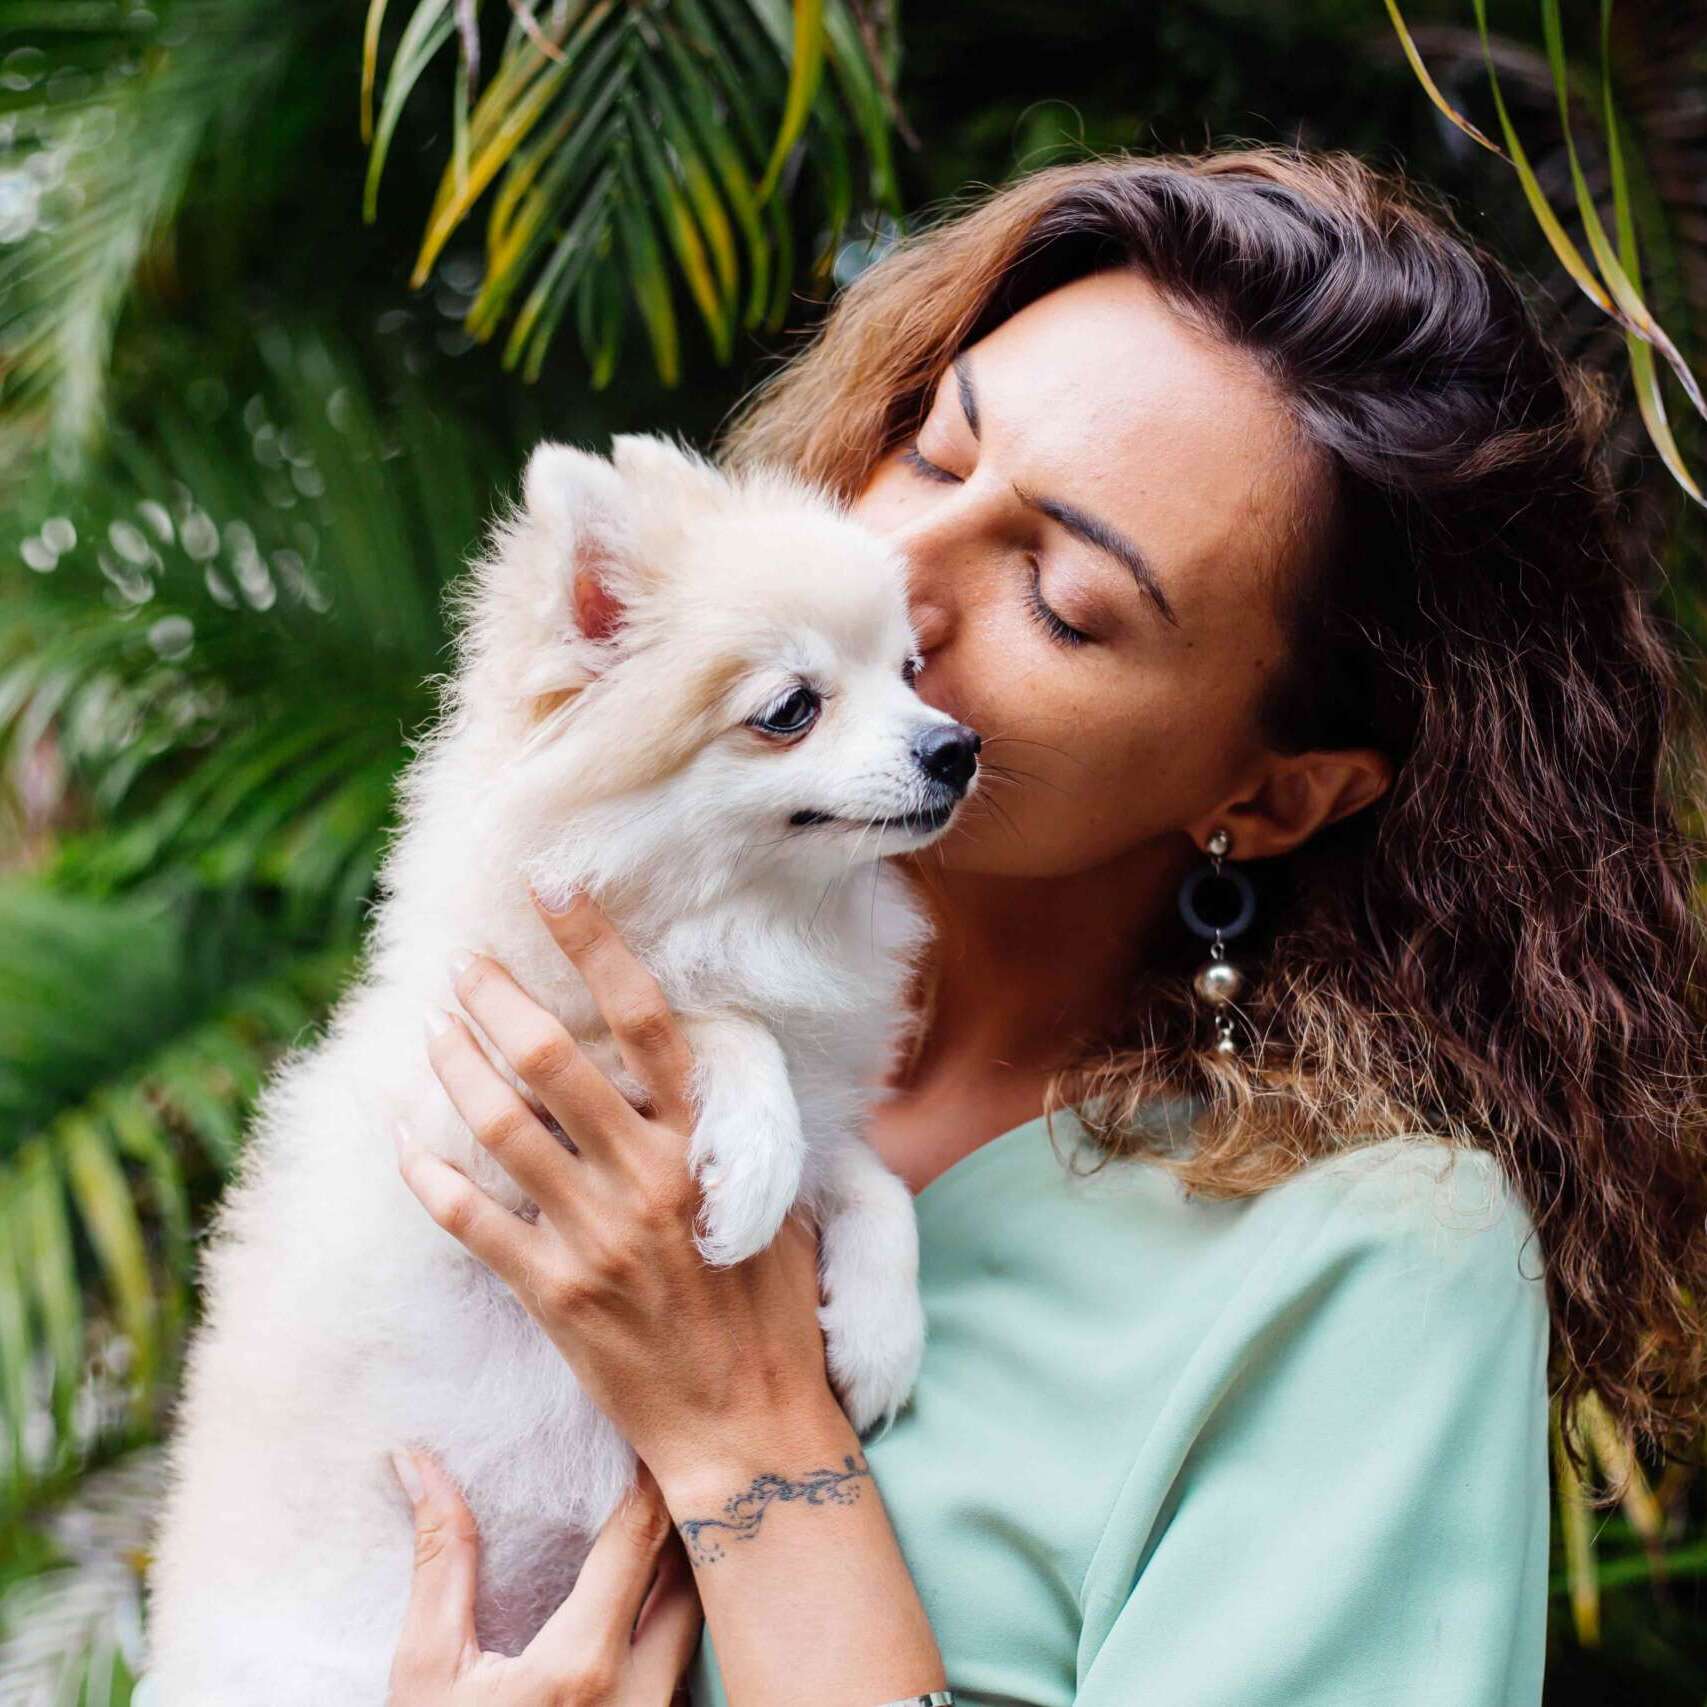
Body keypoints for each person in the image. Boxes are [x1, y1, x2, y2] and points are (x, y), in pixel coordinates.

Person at [376, 145, 1707, 1706]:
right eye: (935, 457)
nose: (902, 574)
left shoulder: (1363, 1256)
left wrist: (749, 1438)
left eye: (1064, 600)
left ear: (1271, 792)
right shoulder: (572, 1022)